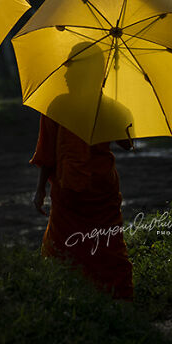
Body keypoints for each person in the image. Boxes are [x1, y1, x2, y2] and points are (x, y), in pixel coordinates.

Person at [31, 43, 134, 300]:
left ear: (84, 72)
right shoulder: (97, 106)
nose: (66, 73)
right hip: (78, 193)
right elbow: (128, 144)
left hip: (93, 192)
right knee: (101, 246)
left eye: (71, 67)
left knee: (78, 247)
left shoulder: (68, 105)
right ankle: (112, 299)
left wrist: (40, 189)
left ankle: (84, 299)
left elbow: (47, 154)